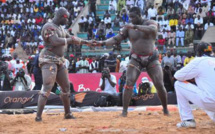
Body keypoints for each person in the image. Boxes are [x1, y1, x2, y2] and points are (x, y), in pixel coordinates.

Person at [94, 7, 169, 117]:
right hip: (136, 58)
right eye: (130, 17)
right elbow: (116, 39)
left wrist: (135, 27)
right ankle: (124, 111)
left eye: (133, 17)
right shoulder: (128, 28)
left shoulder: (150, 22)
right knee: (129, 83)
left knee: (159, 84)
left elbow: (153, 30)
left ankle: (165, 109)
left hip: (151, 57)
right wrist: (102, 43)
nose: (131, 19)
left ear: (139, 15)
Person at [35, 7, 91, 122]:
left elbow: (70, 37)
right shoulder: (48, 27)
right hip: (48, 59)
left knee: (66, 87)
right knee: (47, 87)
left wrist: (86, 42)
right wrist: (70, 40)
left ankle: (67, 113)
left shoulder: (60, 27)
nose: (67, 21)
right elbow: (55, 41)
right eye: (66, 19)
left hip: (59, 60)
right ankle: (38, 116)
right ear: (61, 17)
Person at [174, 42, 215, 128]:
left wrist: (191, 78)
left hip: (210, 101)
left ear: (198, 52)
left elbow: (177, 76)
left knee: (178, 84)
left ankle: (188, 120)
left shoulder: (199, 61)